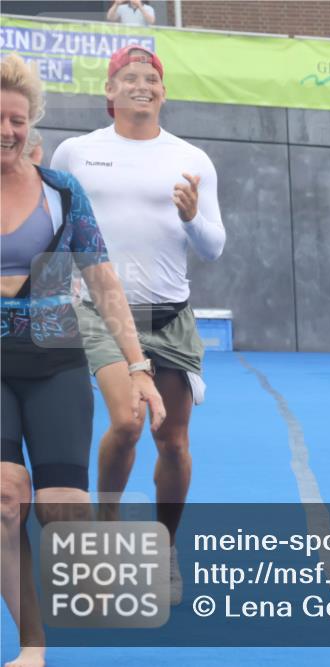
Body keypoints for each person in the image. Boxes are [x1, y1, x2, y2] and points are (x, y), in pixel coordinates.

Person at [1, 54, 165, 667]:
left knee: (60, 508)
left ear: (31, 124)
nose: (7, 131)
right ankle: (33, 646)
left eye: (17, 120)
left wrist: (139, 366)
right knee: (6, 495)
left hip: (54, 355)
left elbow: (104, 284)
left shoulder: (62, 193)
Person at [50, 45, 225, 606]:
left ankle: (165, 549)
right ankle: (106, 531)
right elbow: (50, 229)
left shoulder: (191, 157)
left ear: (163, 92)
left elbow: (214, 248)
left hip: (169, 316)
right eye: (129, 78)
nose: (141, 86)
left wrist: (194, 217)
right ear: (109, 92)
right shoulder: (76, 152)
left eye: (151, 78)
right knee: (126, 420)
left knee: (171, 441)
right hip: (97, 312)